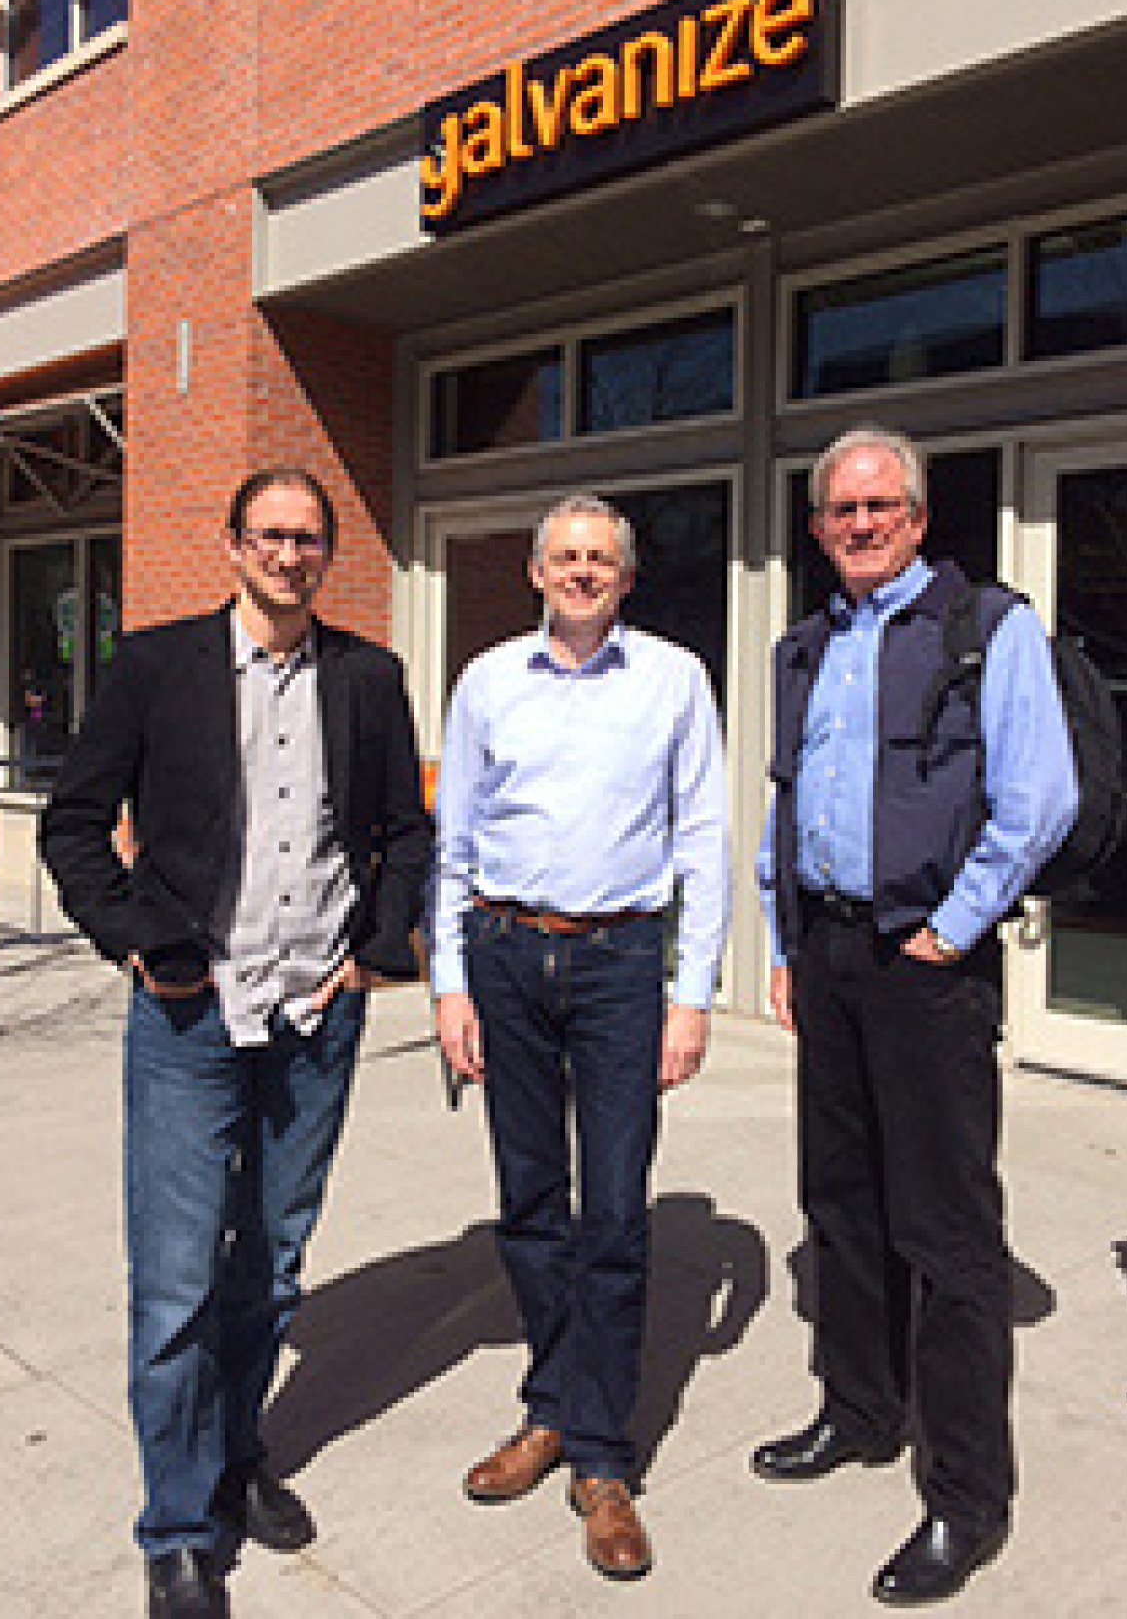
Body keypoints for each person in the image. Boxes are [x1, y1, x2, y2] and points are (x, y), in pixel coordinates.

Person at [41, 468, 430, 1619]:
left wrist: (378, 947)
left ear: (326, 554)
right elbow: (74, 824)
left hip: (316, 1012)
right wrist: (133, 937)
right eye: (270, 534)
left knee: (271, 1261)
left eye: (307, 538)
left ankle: (235, 1457)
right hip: (189, 1011)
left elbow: (405, 832)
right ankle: (175, 1529)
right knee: (172, 1288)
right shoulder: (154, 666)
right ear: (232, 545)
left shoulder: (369, 677)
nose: (289, 554)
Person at [754, 429, 1077, 1606]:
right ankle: (860, 1408)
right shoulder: (804, 644)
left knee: (944, 1231)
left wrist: (957, 920)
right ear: (818, 524)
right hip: (829, 953)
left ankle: (966, 1495)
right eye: (840, 508)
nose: (859, 522)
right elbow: (783, 800)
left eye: (880, 504)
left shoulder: (986, 626)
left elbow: (1039, 796)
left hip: (925, 964)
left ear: (919, 515)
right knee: (839, 1197)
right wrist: (785, 937)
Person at [432, 491, 729, 1582]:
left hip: (618, 967)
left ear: (627, 574)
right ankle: (552, 1404)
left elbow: (704, 833)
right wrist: (450, 985)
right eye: (566, 555)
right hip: (505, 959)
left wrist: (689, 994)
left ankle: (603, 1457)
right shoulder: (487, 683)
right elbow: (452, 842)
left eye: (601, 556)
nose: (583, 570)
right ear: (535, 570)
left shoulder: (674, 681)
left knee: (612, 1213)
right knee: (526, 1202)